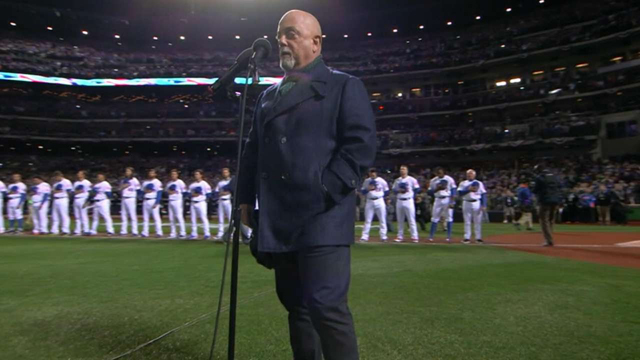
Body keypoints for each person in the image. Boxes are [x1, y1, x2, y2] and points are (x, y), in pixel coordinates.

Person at [238, 10, 375, 360]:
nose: (281, 40)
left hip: (322, 217)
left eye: (291, 34)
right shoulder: (267, 96)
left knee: (327, 309)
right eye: (280, 34)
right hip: (279, 220)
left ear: (316, 42)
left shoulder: (344, 85)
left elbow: (360, 147)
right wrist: (243, 200)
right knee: (297, 310)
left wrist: (323, 190)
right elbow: (251, 153)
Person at [532, 164, 563, 246]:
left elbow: (535, 190)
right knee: (551, 220)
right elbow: (560, 186)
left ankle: (549, 240)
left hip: (545, 201)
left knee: (543, 221)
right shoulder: (554, 177)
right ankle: (550, 236)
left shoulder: (539, 178)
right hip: (555, 201)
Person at [392, 165, 421, 243]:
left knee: (411, 219)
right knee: (400, 220)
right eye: (401, 169)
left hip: (408, 200)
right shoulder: (397, 180)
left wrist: (412, 195)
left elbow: (417, 189)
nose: (402, 170)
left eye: (404, 169)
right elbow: (394, 190)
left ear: (407, 171)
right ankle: (400, 236)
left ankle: (414, 236)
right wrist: (399, 190)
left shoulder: (412, 179)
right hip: (399, 200)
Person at [427, 167, 457, 242]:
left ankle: (449, 236)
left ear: (444, 172)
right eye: (437, 173)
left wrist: (452, 202)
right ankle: (431, 236)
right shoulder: (433, 180)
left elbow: (453, 190)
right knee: (434, 218)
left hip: (447, 198)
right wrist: (437, 189)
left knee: (449, 217)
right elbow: (429, 192)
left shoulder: (449, 179)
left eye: (440, 172)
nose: (438, 174)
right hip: (437, 199)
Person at [359, 168, 389, 242]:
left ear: (376, 173)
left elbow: (387, 191)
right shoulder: (367, 181)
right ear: (369, 173)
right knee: (368, 220)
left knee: (382, 219)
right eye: (371, 172)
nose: (372, 173)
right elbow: (362, 191)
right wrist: (368, 189)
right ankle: (365, 236)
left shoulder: (381, 181)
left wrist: (380, 195)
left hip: (379, 200)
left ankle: (383, 236)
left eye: (374, 172)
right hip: (370, 201)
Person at [458, 169, 487, 244]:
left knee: (477, 221)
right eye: (468, 174)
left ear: (474, 175)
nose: (469, 175)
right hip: (466, 202)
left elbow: (483, 194)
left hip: (476, 202)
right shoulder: (463, 183)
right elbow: (460, 193)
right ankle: (467, 238)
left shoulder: (479, 183)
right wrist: (469, 190)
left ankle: (478, 238)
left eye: (471, 174)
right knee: (467, 221)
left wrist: (484, 204)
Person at [189, 169, 212, 240]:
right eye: (195, 174)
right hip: (193, 202)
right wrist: (193, 195)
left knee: (203, 218)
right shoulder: (192, 185)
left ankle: (207, 233)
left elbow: (209, 194)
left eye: (198, 174)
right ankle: (194, 234)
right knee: (193, 219)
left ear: (201, 175)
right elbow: (188, 194)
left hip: (201, 202)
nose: (196, 176)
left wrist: (203, 198)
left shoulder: (204, 184)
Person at [141, 169, 164, 238]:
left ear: (155, 174)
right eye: (150, 173)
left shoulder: (157, 182)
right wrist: (144, 194)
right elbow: (141, 191)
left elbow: (159, 193)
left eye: (152, 173)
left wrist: (157, 202)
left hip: (153, 200)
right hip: (146, 200)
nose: (151, 174)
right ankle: (145, 232)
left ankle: (159, 232)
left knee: (156, 217)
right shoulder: (145, 182)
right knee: (145, 218)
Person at [119, 167, 140, 236]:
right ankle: (123, 231)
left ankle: (134, 231)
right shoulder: (123, 180)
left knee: (132, 215)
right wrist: (124, 186)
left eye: (129, 171)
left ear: (132, 172)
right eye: (126, 171)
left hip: (131, 198)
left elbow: (138, 190)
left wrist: (138, 198)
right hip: (124, 198)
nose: (127, 172)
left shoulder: (135, 180)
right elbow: (120, 189)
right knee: (123, 215)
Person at [166, 169, 187, 239]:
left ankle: (182, 233)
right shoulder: (169, 183)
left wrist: (180, 198)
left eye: (174, 174)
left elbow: (184, 192)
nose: (173, 175)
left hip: (177, 201)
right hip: (170, 200)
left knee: (179, 217)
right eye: (172, 174)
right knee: (171, 218)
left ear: (177, 175)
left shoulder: (180, 182)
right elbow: (167, 191)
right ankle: (173, 233)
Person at [50, 171, 73, 235]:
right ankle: (54, 230)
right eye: (55, 177)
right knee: (54, 215)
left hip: (63, 199)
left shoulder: (66, 181)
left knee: (64, 215)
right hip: (56, 199)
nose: (56, 178)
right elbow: (52, 192)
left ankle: (65, 230)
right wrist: (58, 191)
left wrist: (69, 200)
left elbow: (69, 191)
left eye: (57, 176)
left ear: (61, 176)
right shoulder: (55, 183)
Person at [214, 167, 233, 240]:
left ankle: (231, 234)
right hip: (221, 201)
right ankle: (220, 233)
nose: (225, 174)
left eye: (226, 172)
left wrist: (226, 193)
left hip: (229, 201)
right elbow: (216, 192)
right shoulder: (220, 183)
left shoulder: (232, 181)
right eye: (223, 172)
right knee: (220, 218)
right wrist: (221, 193)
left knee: (230, 218)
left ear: (229, 173)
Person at [73, 170, 92, 236]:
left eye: (80, 173)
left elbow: (90, 192)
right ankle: (77, 230)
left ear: (83, 175)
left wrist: (87, 201)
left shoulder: (87, 182)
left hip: (83, 199)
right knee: (77, 216)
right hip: (76, 199)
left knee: (83, 215)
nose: (78, 174)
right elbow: (74, 192)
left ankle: (86, 230)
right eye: (78, 173)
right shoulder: (76, 183)